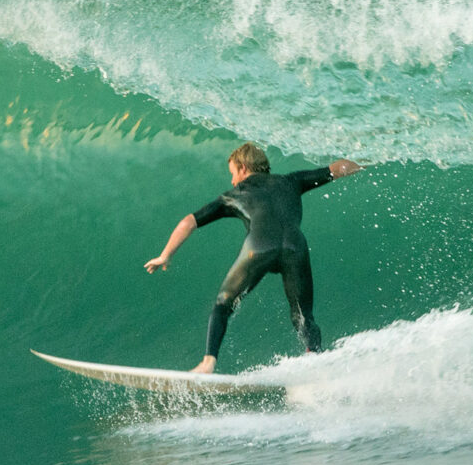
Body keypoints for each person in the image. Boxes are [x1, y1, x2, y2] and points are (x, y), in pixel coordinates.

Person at [144, 142, 363, 373]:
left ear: (243, 167)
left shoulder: (235, 194)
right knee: (303, 315)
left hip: (259, 247)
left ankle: (208, 363)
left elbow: (188, 222)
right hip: (294, 246)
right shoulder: (292, 181)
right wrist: (366, 162)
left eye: (232, 173)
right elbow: (335, 169)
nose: (232, 181)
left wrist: (165, 255)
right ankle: (316, 362)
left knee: (223, 304)